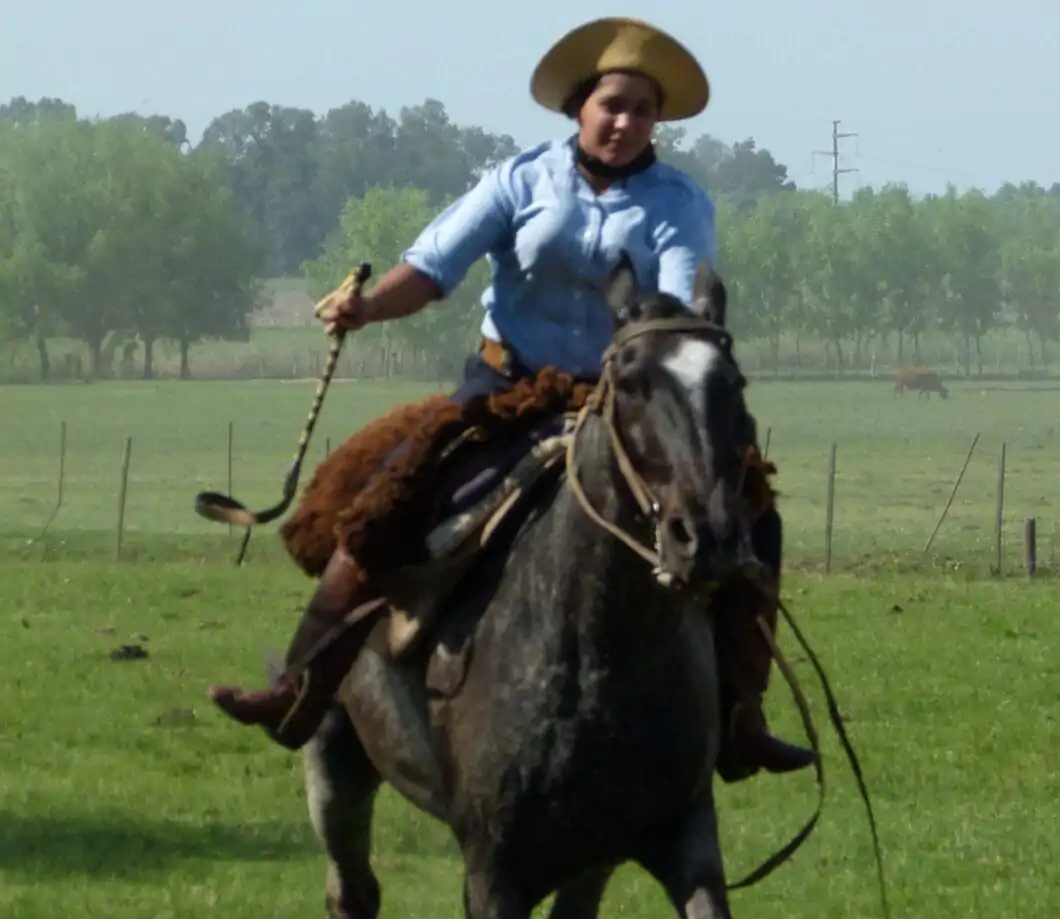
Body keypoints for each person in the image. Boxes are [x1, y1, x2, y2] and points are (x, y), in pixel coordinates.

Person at [209, 16, 818, 782]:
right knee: (388, 499)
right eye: (612, 105)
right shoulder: (518, 180)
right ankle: (299, 687)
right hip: (505, 388)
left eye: (641, 110)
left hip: (618, 397)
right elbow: (433, 267)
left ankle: (741, 717)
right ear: (577, 109)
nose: (626, 122)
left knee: (754, 512)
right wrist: (364, 308)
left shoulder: (682, 201)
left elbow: (672, 304)